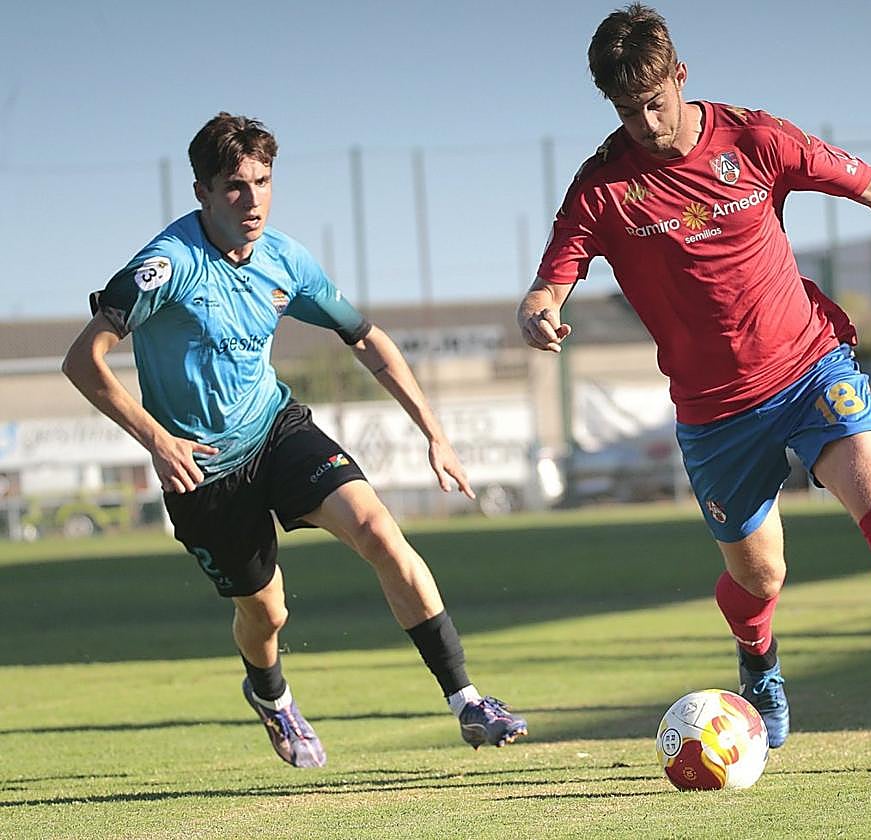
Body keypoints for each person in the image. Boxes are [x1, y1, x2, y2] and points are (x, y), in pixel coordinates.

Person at [519, 4, 871, 768]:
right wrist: (538, 313)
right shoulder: (603, 187)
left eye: (654, 101)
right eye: (625, 108)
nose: (643, 121)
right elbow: (552, 280)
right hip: (715, 415)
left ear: (680, 74)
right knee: (760, 574)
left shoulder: (757, 138)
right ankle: (759, 659)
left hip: (812, 368)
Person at [63, 112, 527, 768]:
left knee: (377, 529)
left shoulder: (286, 260)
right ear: (201, 193)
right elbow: (83, 360)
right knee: (268, 613)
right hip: (201, 470)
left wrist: (435, 433)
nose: (251, 199)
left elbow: (366, 337)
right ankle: (270, 693)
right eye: (233, 186)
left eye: (262, 181)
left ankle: (469, 702)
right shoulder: (164, 268)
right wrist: (157, 439)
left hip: (277, 430)